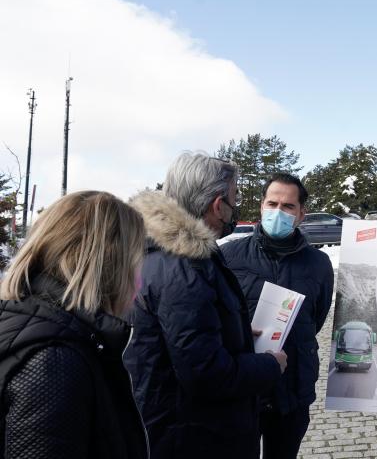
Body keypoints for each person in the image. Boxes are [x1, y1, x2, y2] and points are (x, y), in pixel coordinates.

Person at [124, 152, 287, 459]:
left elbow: (185, 339)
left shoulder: (162, 253)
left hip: (180, 428)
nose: (234, 207)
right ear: (217, 204)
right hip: (196, 437)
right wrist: (269, 366)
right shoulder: (183, 267)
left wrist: (233, 331)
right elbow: (206, 374)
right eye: (234, 197)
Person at [0, 191, 148, 459]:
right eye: (138, 262)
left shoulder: (39, 326)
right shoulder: (54, 361)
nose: (140, 279)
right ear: (111, 267)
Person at [222, 173, 334, 459]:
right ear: (261, 206)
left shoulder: (319, 263)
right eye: (272, 203)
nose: (278, 212)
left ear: (301, 213)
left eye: (288, 207)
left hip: (293, 389)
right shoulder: (229, 256)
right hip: (243, 388)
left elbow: (317, 318)